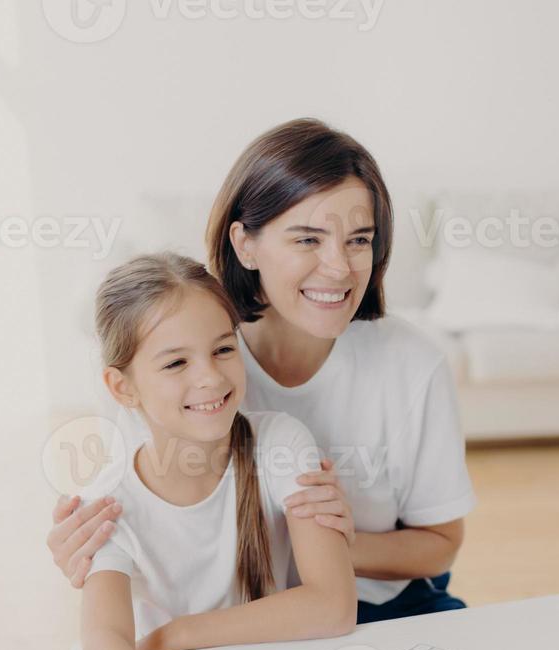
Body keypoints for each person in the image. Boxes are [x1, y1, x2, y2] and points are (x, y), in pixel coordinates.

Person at [49, 118, 475, 623]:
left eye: (359, 240)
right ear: (244, 244)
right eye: (308, 240)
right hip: (237, 613)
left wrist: (326, 549)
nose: (339, 267)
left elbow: (439, 546)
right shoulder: (182, 364)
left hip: (384, 603)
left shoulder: (412, 365)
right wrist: (89, 550)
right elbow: (140, 518)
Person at [78, 251, 355, 650]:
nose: (210, 376)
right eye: (175, 363)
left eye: (223, 349)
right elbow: (103, 645)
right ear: (122, 386)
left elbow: (333, 605)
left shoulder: (281, 443)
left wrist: (175, 634)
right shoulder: (108, 504)